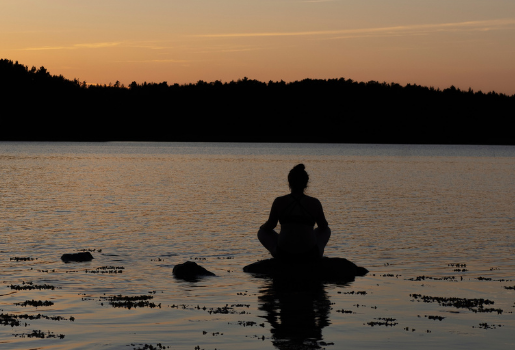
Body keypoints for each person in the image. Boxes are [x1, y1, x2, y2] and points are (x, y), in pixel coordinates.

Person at [258, 164, 331, 262]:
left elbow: (270, 226)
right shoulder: (314, 202)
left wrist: (262, 227)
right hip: (310, 253)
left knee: (261, 232)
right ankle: (319, 253)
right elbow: (324, 227)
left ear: (289, 183)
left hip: (283, 253)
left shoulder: (279, 201)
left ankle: (277, 254)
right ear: (306, 183)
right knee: (327, 230)